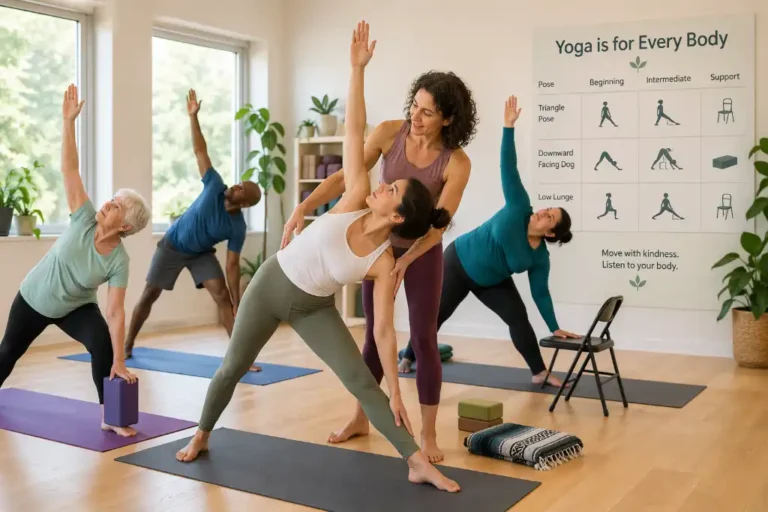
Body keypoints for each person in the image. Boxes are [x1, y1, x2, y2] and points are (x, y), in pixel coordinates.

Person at [175, 21, 460, 493]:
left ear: (395, 216)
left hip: (312, 308)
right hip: (271, 288)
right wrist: (356, 70)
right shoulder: (355, 197)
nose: (384, 182)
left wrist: (395, 388)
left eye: (393, 188)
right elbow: (353, 130)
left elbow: (385, 331)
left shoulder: (384, 263)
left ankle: (415, 461)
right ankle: (202, 433)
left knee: (363, 384)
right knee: (232, 366)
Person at [283, 61, 476, 466]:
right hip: (377, 249)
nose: (416, 117)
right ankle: (360, 417)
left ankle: (427, 431)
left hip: (422, 253)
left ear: (448, 118)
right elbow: (347, 178)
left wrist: (408, 259)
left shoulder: (456, 163)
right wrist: (304, 205)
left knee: (423, 338)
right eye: (415, 107)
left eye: (427, 112)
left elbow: (439, 225)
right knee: (373, 335)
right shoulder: (390, 132)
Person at [0, 84, 151, 436]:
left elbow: (114, 313)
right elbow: (70, 171)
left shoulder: (119, 261)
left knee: (100, 343)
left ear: (125, 225)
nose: (107, 204)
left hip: (75, 307)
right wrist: (67, 122)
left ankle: (110, 415)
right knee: (7, 353)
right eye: (111, 199)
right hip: (35, 297)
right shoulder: (83, 216)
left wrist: (118, 359)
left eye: (116, 206)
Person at [398, 96, 579, 388]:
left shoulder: (539, 258)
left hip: (492, 280)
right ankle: (407, 357)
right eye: (548, 208)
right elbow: (509, 167)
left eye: (550, 218)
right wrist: (508, 127)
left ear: (550, 234)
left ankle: (540, 372)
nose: (544, 211)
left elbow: (540, 294)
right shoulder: (520, 206)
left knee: (519, 319)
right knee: (435, 316)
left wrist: (554, 327)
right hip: (459, 262)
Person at [124, 89, 262, 371]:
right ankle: (125, 345)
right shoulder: (214, 185)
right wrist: (193, 116)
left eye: (241, 189)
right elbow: (200, 150)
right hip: (172, 246)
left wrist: (236, 300)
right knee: (149, 295)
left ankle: (239, 360)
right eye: (238, 183)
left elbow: (232, 265)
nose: (235, 185)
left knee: (222, 296)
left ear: (245, 202)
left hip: (200, 254)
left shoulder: (237, 226)